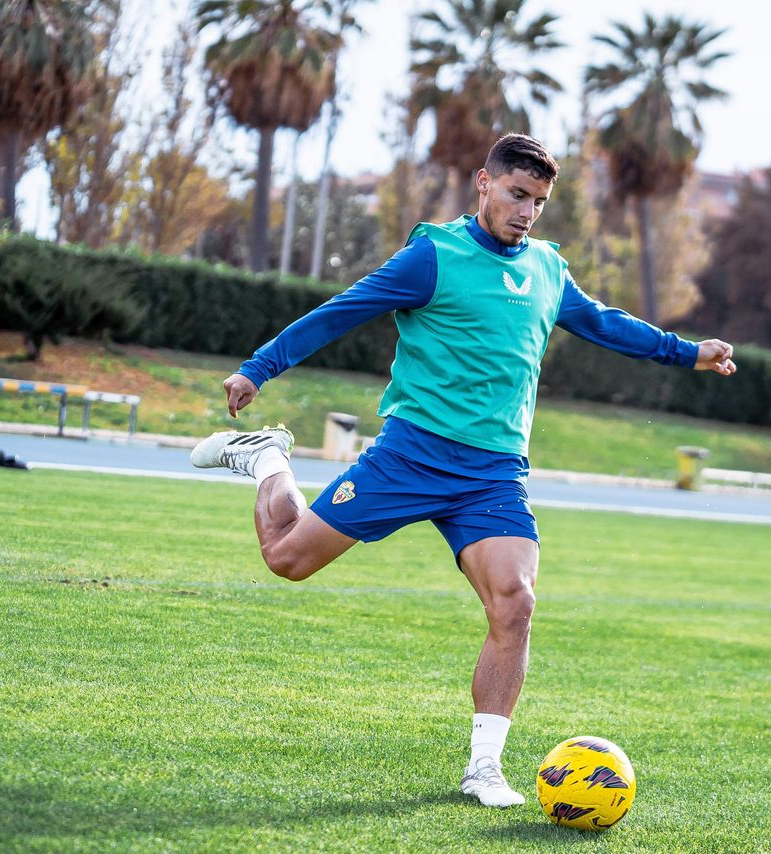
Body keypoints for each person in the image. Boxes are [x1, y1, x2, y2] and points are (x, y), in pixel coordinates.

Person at [190, 134, 736, 808]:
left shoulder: (546, 269)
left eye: (538, 201)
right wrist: (258, 368)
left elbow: (603, 323)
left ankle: (484, 768)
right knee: (287, 559)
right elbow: (342, 311)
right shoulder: (434, 256)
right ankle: (266, 457)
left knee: (516, 602)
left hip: (493, 475)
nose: (527, 211)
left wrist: (688, 353)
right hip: (412, 455)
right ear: (484, 183)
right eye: (516, 194)